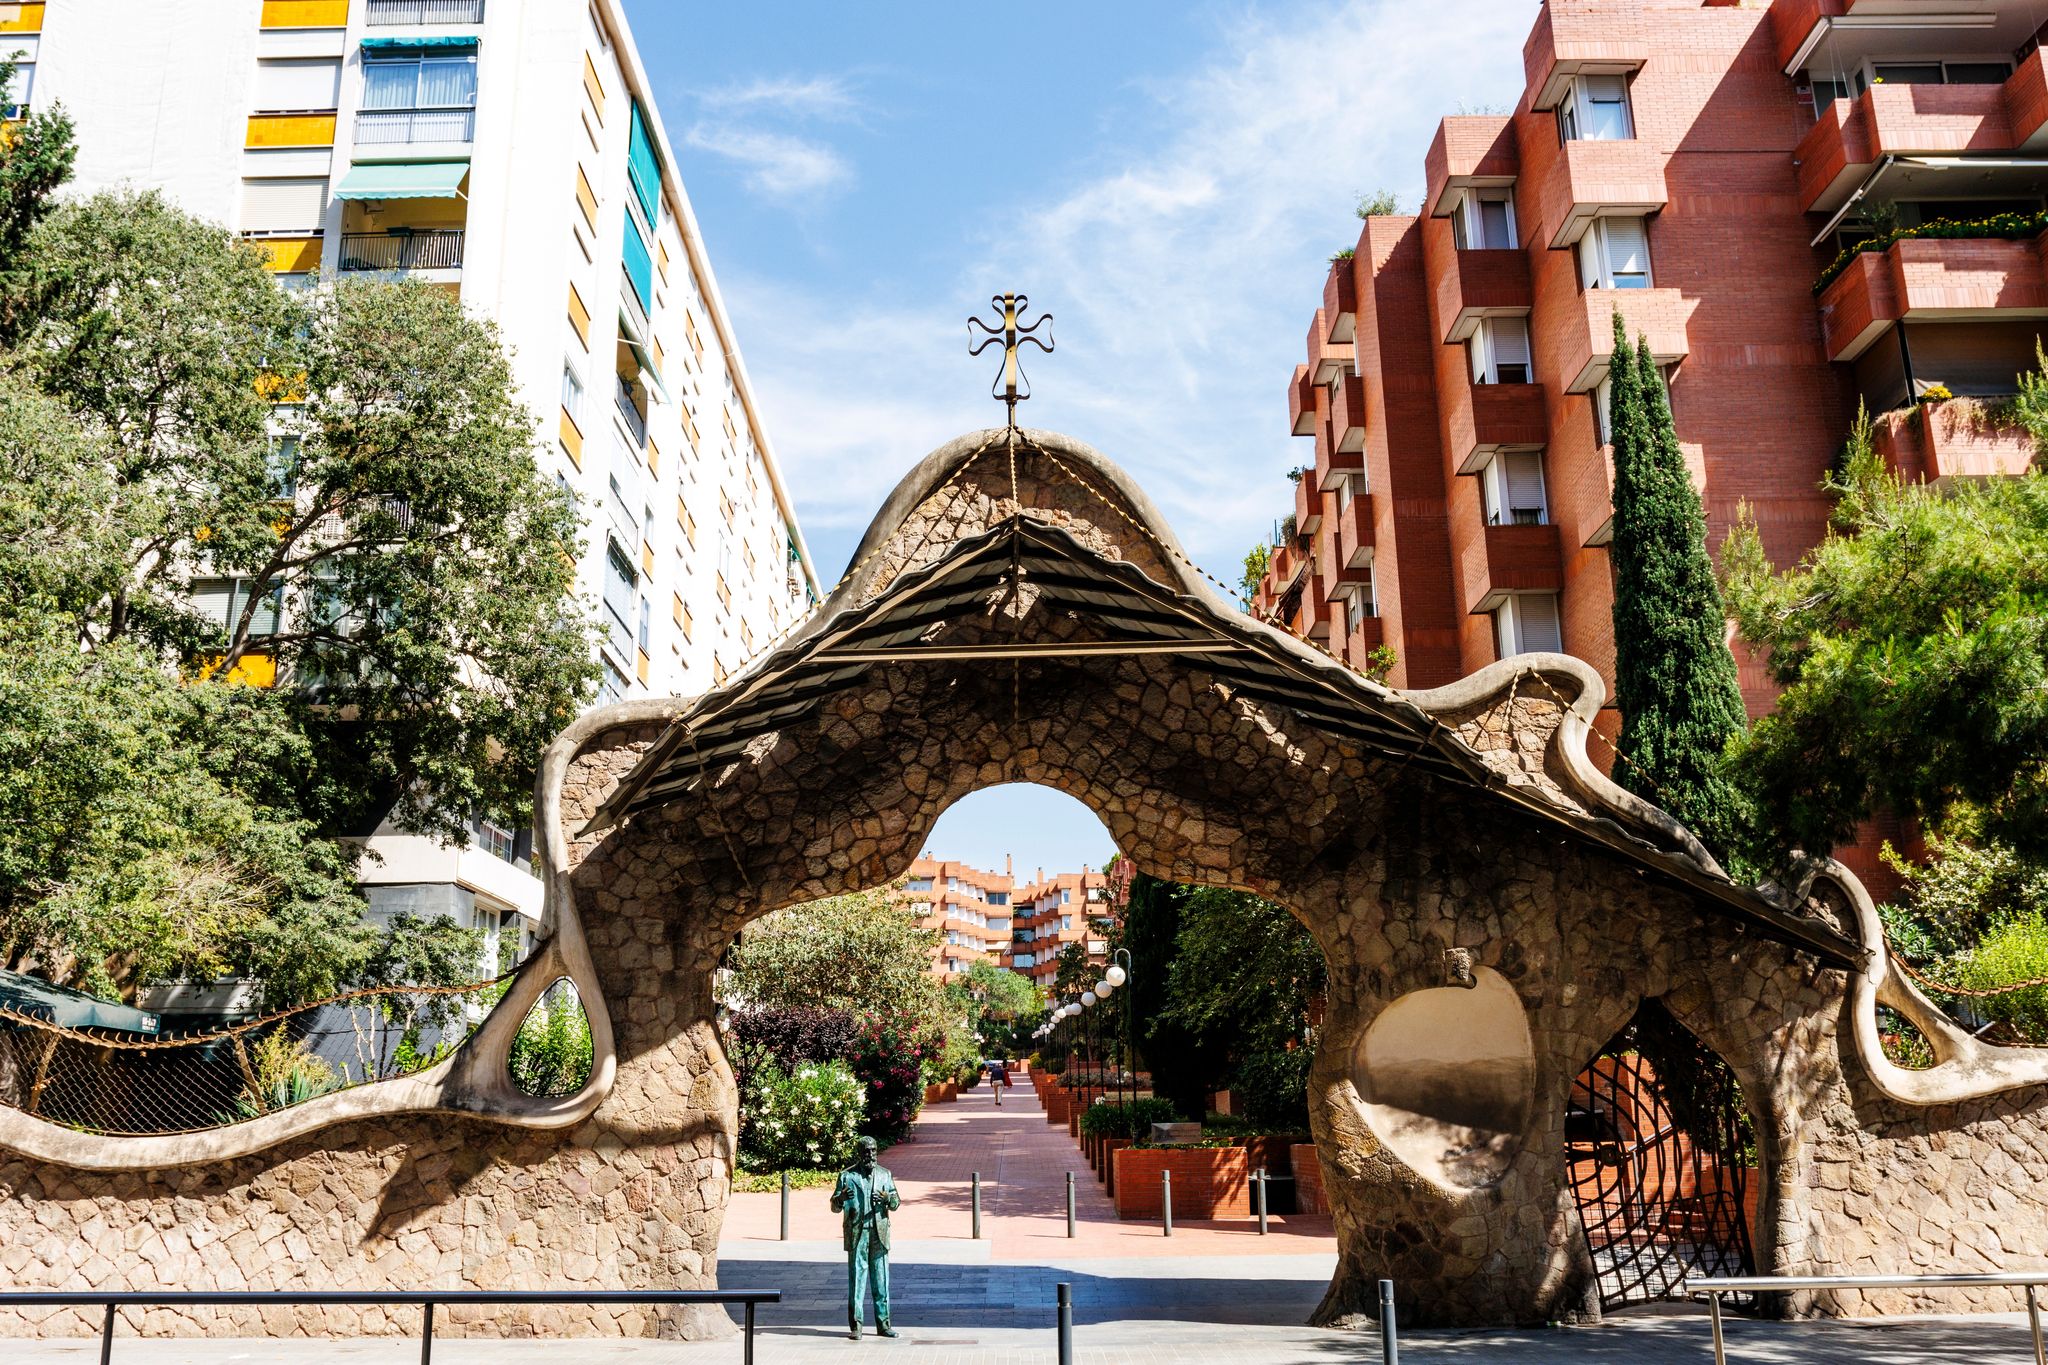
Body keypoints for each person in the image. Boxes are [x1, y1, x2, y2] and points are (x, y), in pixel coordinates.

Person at [830, 1136, 900, 1339]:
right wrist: (841, 1198)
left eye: (873, 1151)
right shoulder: (847, 1176)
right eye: (866, 1151)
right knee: (857, 1281)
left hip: (879, 1232)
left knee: (881, 1280)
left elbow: (896, 1202)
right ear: (859, 1154)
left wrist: (888, 1199)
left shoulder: (885, 1175)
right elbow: (834, 1207)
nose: (870, 1155)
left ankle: (884, 1324)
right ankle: (856, 1326)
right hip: (857, 1233)